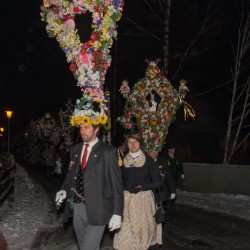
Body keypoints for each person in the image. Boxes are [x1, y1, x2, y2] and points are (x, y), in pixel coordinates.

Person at [55, 123, 123, 250]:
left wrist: (117, 213)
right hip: (77, 207)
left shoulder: (108, 151)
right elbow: (71, 174)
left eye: (86, 127)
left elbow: (116, 185)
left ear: (97, 129)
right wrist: (64, 190)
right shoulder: (76, 149)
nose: (82, 131)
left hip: (99, 209)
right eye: (80, 127)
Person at [114, 132, 162, 250]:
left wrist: (142, 186)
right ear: (126, 145)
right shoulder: (122, 160)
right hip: (127, 202)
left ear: (140, 143)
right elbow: (117, 181)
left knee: (144, 233)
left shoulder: (149, 161)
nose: (133, 145)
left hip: (144, 201)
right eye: (130, 142)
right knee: (127, 234)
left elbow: (158, 183)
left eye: (136, 142)